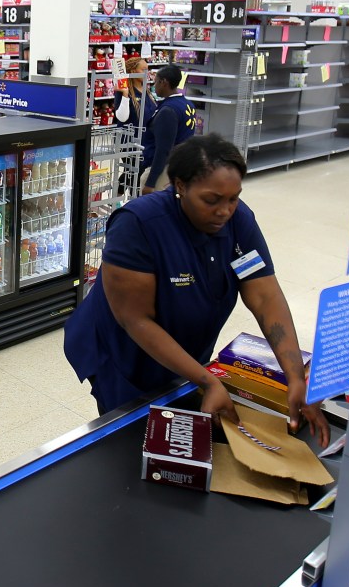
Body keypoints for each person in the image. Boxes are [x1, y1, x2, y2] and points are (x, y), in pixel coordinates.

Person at [64, 134, 330, 447]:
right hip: (124, 353)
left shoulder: (238, 221)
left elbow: (264, 296)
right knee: (130, 437)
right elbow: (136, 320)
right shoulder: (138, 225)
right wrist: (206, 379)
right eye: (212, 200)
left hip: (184, 347)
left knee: (178, 409)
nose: (225, 211)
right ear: (180, 186)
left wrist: (295, 376)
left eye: (233, 198)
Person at [140, 63, 195, 193]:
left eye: (156, 82)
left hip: (164, 171)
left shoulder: (168, 111)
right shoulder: (187, 104)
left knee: (153, 209)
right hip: (180, 165)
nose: (154, 86)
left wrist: (150, 182)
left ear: (164, 82)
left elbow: (163, 150)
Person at [112, 56, 156, 130]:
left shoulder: (146, 90)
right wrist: (125, 94)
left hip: (147, 138)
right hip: (129, 139)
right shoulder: (123, 91)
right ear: (133, 71)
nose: (147, 73)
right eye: (144, 70)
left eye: (147, 70)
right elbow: (122, 118)